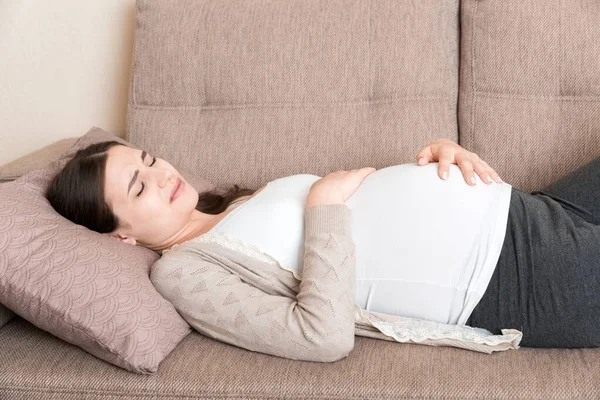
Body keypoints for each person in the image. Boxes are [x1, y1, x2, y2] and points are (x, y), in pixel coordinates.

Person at [45, 138, 600, 355]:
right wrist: (324, 206)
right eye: (137, 187)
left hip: (527, 209)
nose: (160, 173)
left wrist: (443, 156)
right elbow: (322, 335)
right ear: (119, 234)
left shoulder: (237, 204)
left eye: (147, 159)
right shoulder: (183, 272)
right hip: (515, 276)